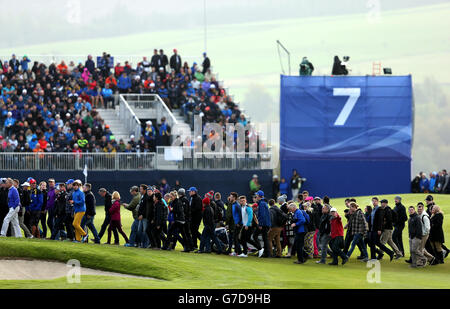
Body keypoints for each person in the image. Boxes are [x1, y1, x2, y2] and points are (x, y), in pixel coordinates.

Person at [253, 190, 271, 258]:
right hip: (266, 223)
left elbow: (262, 215)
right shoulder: (263, 203)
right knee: (264, 238)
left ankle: (264, 251)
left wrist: (260, 224)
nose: (256, 197)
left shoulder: (262, 203)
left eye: (256, 195)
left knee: (256, 236)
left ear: (259, 196)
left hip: (264, 224)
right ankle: (266, 253)